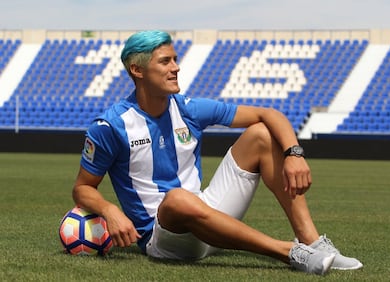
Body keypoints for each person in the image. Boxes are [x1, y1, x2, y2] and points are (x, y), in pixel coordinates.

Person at [72, 30, 363, 275]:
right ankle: (289, 252)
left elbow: (268, 113)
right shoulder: (110, 126)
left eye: (175, 59)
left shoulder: (188, 109)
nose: (176, 67)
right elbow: (83, 188)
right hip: (164, 237)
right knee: (176, 199)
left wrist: (294, 154)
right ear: (138, 71)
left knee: (261, 134)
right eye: (165, 61)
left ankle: (311, 242)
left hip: (207, 212)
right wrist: (110, 210)